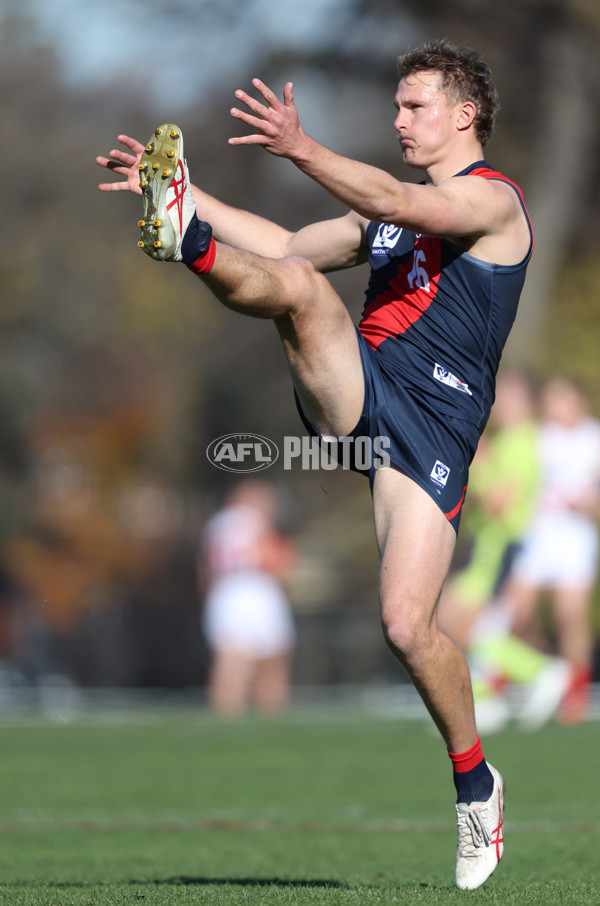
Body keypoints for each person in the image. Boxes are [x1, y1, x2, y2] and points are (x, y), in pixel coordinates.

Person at [96, 40, 533, 889]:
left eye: (415, 107)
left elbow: (402, 197)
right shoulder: (389, 214)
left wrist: (303, 148)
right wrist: (185, 196)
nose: (399, 118)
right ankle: (184, 239)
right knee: (300, 285)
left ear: (464, 115)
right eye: (398, 106)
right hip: (360, 393)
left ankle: (476, 783)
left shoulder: (495, 203)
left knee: (407, 626)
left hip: (435, 435)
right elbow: (288, 240)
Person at [506, 377, 600, 725]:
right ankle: (546, 674)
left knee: (569, 617)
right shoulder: (539, 436)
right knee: (515, 616)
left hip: (575, 540)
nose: (552, 403)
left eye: (560, 397)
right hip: (536, 537)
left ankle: (576, 691)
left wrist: (588, 506)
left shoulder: (593, 438)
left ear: (578, 401)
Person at [200, 480, 297, 717]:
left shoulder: (215, 525)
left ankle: (225, 721)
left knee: (230, 669)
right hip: (256, 594)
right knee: (270, 668)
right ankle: (272, 721)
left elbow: (204, 572)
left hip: (224, 595)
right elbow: (272, 560)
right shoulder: (253, 520)